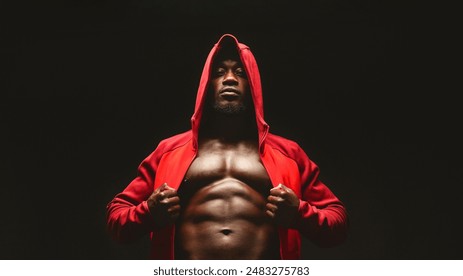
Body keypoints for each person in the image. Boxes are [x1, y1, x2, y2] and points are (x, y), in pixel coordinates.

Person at [106, 34, 349, 260]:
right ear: (206, 85)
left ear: (253, 84)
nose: (230, 79)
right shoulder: (169, 150)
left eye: (241, 73)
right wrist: (148, 213)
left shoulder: (288, 153)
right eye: (219, 72)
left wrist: (300, 214)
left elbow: (338, 225)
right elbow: (116, 220)